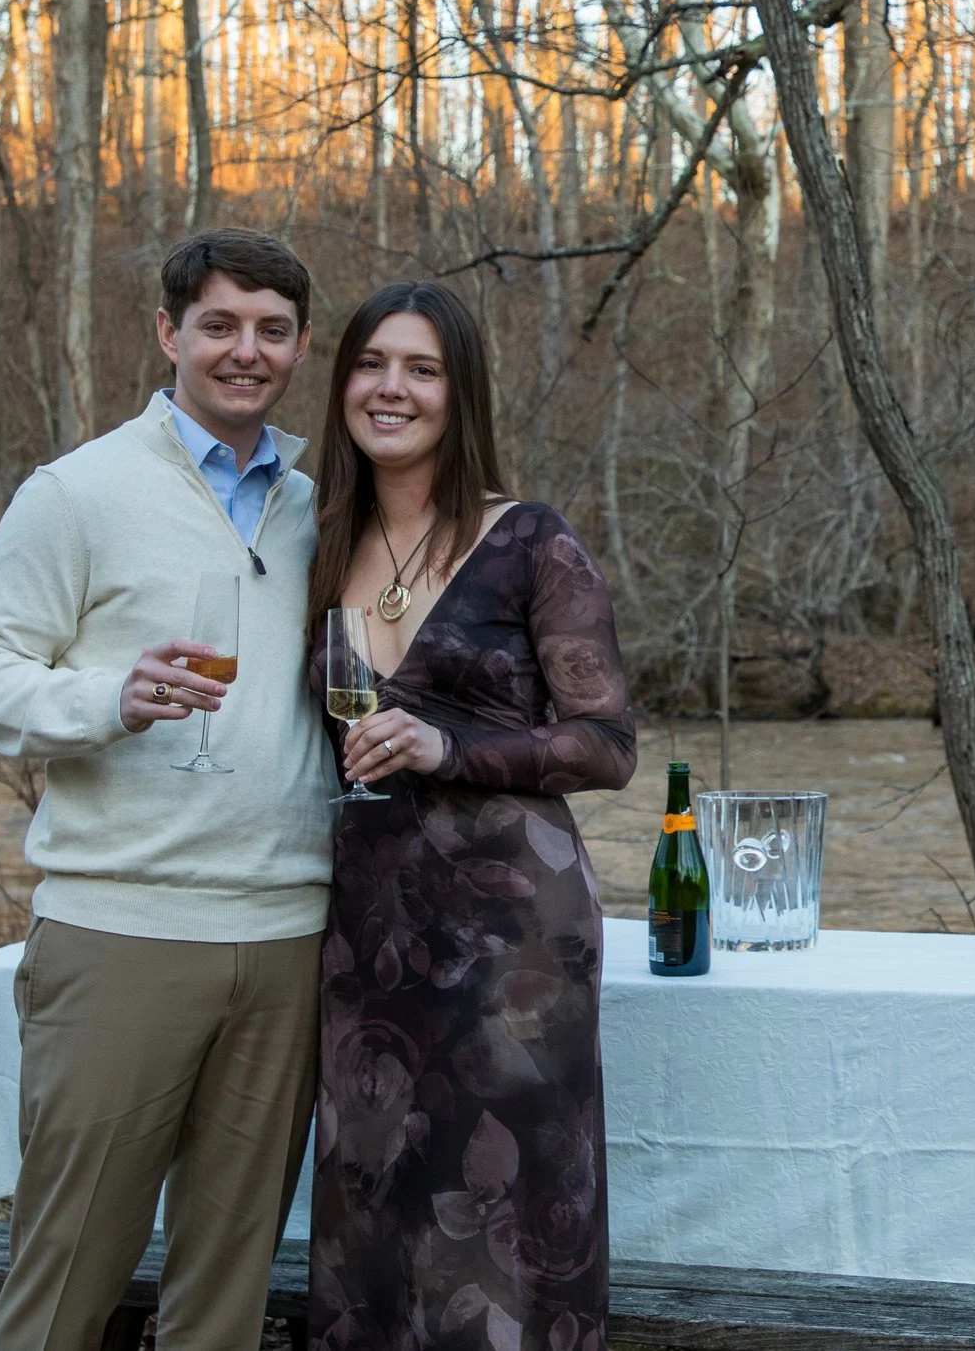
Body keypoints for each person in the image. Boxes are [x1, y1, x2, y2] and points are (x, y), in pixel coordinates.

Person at [0, 229, 337, 1351]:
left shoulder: (316, 510)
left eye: (271, 330)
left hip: (288, 937)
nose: (245, 351)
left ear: (301, 346)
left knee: (228, 1293)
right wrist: (108, 696)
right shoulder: (77, 493)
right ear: (169, 333)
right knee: (68, 1277)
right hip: (123, 934)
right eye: (219, 325)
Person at [307, 280, 635, 1351]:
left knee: (499, 1222)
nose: (391, 387)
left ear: (461, 392)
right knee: (377, 1205)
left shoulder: (529, 539)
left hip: (514, 942)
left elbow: (607, 742)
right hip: (366, 937)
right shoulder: (317, 541)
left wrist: (451, 747)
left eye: (422, 368)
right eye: (371, 363)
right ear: (342, 382)